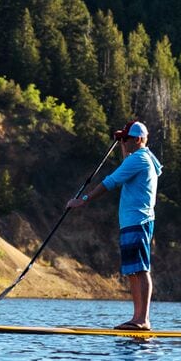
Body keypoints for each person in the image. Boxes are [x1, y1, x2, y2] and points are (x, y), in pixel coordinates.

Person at [65, 120, 162, 329]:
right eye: (121, 139)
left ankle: (142, 320)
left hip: (138, 220)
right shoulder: (139, 158)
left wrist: (83, 200)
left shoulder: (140, 159)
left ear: (137, 139)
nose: (123, 143)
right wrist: (121, 144)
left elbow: (111, 181)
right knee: (132, 270)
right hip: (131, 222)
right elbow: (124, 165)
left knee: (141, 269)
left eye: (125, 139)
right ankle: (137, 318)